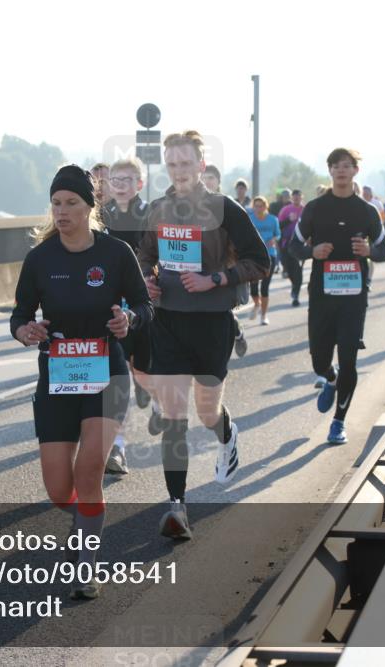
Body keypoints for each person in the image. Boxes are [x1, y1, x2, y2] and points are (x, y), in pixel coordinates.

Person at [11, 165, 152, 599]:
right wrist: (25, 331)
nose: (62, 211)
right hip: (56, 376)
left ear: (90, 208)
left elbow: (144, 305)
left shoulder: (113, 253)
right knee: (59, 488)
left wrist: (128, 318)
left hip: (105, 371)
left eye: (71, 203)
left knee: (88, 468)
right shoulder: (40, 258)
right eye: (56, 203)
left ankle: (86, 568)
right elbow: (19, 315)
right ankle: (83, 516)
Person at [138, 131, 270, 539]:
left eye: (185, 163)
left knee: (208, 411)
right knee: (175, 411)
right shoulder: (158, 209)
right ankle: (177, 505)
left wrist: (216, 278)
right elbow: (144, 254)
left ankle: (226, 435)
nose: (178, 171)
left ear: (201, 165)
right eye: (172, 164)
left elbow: (260, 262)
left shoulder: (223, 208)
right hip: (169, 321)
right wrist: (147, 279)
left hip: (212, 322)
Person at [293, 148, 385, 445]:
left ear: (355, 171)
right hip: (322, 295)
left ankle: (338, 422)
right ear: (330, 171)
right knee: (319, 361)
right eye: (336, 166)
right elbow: (292, 247)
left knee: (349, 359)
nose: (342, 171)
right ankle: (329, 380)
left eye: (347, 166)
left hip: (353, 297)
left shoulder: (367, 211)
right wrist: (312, 252)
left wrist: (369, 251)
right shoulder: (315, 208)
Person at [101, 157, 152, 475]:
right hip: (110, 307)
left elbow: (160, 255)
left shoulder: (150, 215)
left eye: (127, 179)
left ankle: (155, 396)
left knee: (142, 370)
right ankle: (117, 447)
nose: (120, 185)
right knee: (116, 377)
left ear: (139, 184)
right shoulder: (99, 216)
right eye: (115, 179)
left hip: (143, 304)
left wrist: (149, 276)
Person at [202, 165, 248, 358]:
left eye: (211, 177)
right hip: (197, 265)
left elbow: (245, 242)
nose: (207, 181)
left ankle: (235, 331)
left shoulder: (228, 206)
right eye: (204, 177)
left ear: (219, 182)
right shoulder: (187, 206)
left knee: (221, 309)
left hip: (224, 266)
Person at [247, 196, 281, 325]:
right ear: (253, 207)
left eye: (261, 205)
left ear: (265, 206)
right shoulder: (250, 219)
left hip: (270, 254)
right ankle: (257, 303)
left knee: (265, 287)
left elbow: (278, 234)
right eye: (256, 206)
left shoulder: (273, 219)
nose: (259, 208)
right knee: (253, 287)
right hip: (254, 255)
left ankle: (264, 316)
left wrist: (274, 239)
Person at [278, 189, 306, 306]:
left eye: (298, 196)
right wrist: (289, 220)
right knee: (288, 269)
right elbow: (278, 226)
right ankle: (295, 285)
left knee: (298, 270)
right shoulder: (285, 210)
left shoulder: (306, 210)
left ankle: (295, 294)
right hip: (286, 243)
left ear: (301, 197)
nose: (296, 199)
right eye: (294, 197)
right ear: (291, 198)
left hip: (301, 244)